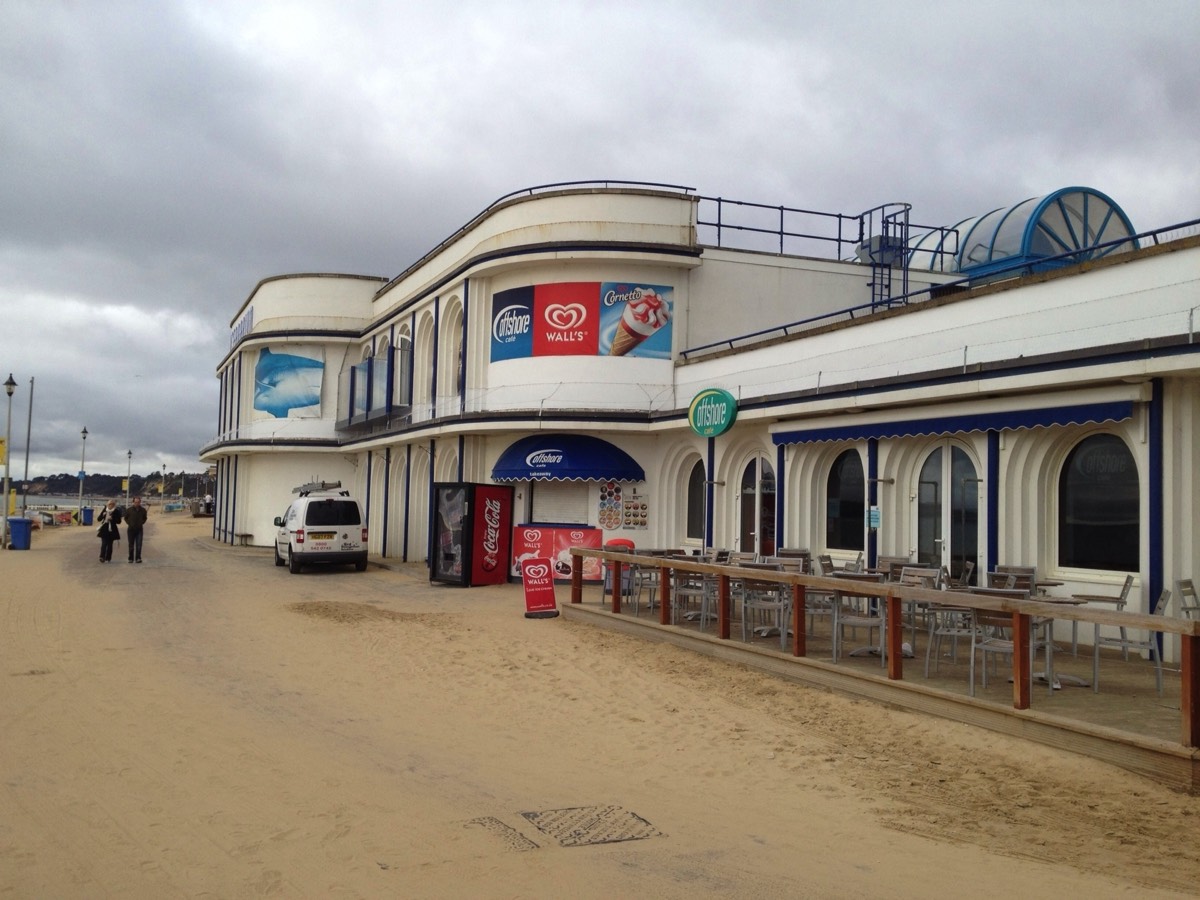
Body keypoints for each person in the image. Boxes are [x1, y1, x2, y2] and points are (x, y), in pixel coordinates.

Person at [124, 495, 148, 563]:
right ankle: (130, 558)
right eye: (135, 502)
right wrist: (129, 523)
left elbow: (145, 518)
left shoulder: (143, 510)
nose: (137, 503)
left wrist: (141, 523)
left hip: (139, 530)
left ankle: (138, 558)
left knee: (139, 544)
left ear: (140, 502)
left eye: (138, 502)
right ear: (133, 502)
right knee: (131, 545)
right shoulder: (129, 510)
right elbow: (125, 518)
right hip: (131, 529)